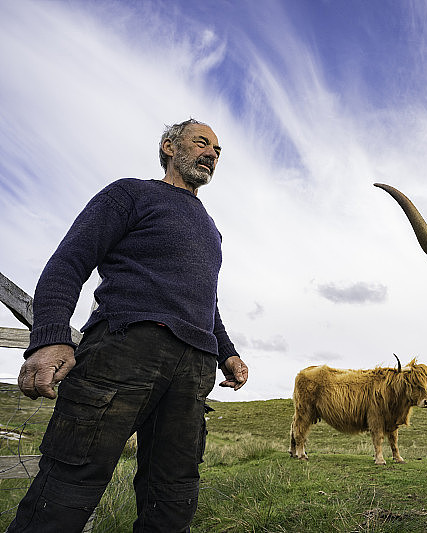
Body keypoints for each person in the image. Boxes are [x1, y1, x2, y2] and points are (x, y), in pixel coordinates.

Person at [8, 119, 249, 533]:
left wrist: (227, 352)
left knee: (174, 490)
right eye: (202, 142)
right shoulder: (131, 193)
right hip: (124, 350)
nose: (213, 153)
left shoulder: (212, 229)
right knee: (71, 480)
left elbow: (208, 302)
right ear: (169, 147)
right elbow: (69, 262)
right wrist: (49, 338)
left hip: (193, 369)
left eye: (218, 150)